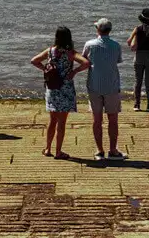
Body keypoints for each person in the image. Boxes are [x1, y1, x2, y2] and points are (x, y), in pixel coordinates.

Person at [30, 26, 90, 159]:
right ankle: (58, 151)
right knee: (62, 123)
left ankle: (47, 148)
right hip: (65, 88)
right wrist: (74, 71)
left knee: (52, 121)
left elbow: (34, 60)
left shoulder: (50, 51)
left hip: (52, 88)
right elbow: (86, 63)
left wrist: (46, 68)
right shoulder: (70, 53)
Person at [82, 17, 126, 160]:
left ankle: (99, 150)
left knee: (97, 120)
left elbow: (84, 60)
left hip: (94, 85)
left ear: (98, 30)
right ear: (109, 30)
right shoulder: (116, 45)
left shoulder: (89, 45)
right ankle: (113, 150)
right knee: (113, 120)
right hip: (112, 86)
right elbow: (118, 61)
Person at [126, 8, 149, 112]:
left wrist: (135, 40)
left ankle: (137, 105)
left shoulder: (137, 29)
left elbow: (128, 42)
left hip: (139, 56)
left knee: (138, 81)